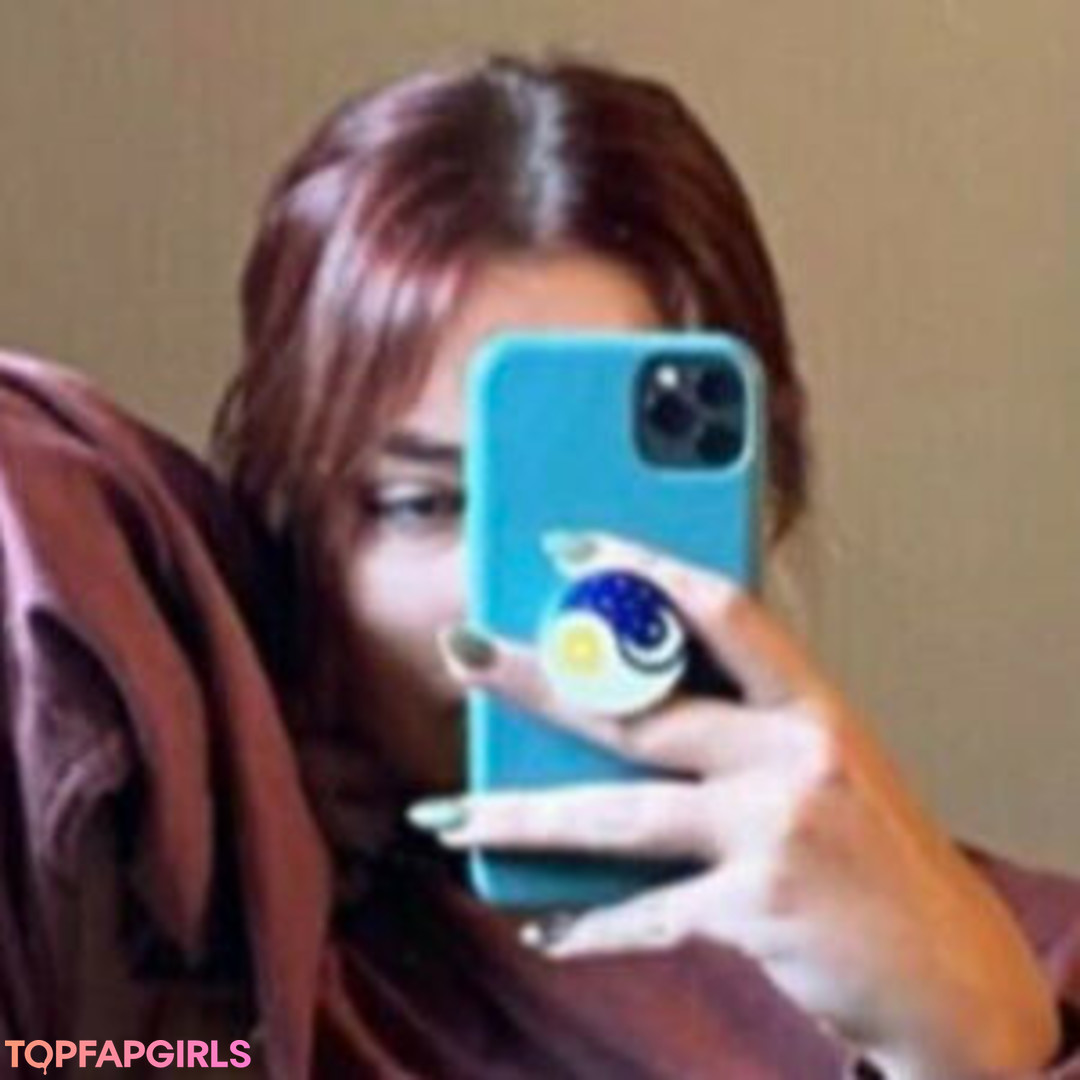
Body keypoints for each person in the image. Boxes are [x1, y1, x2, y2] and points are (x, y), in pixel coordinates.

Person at [1, 52, 1078, 1079]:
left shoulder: (1037, 965)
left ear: (763, 494)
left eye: (592, 514)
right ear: (294, 526)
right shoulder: (201, 950)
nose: (518, 611)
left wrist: (983, 1046)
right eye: (421, 504)